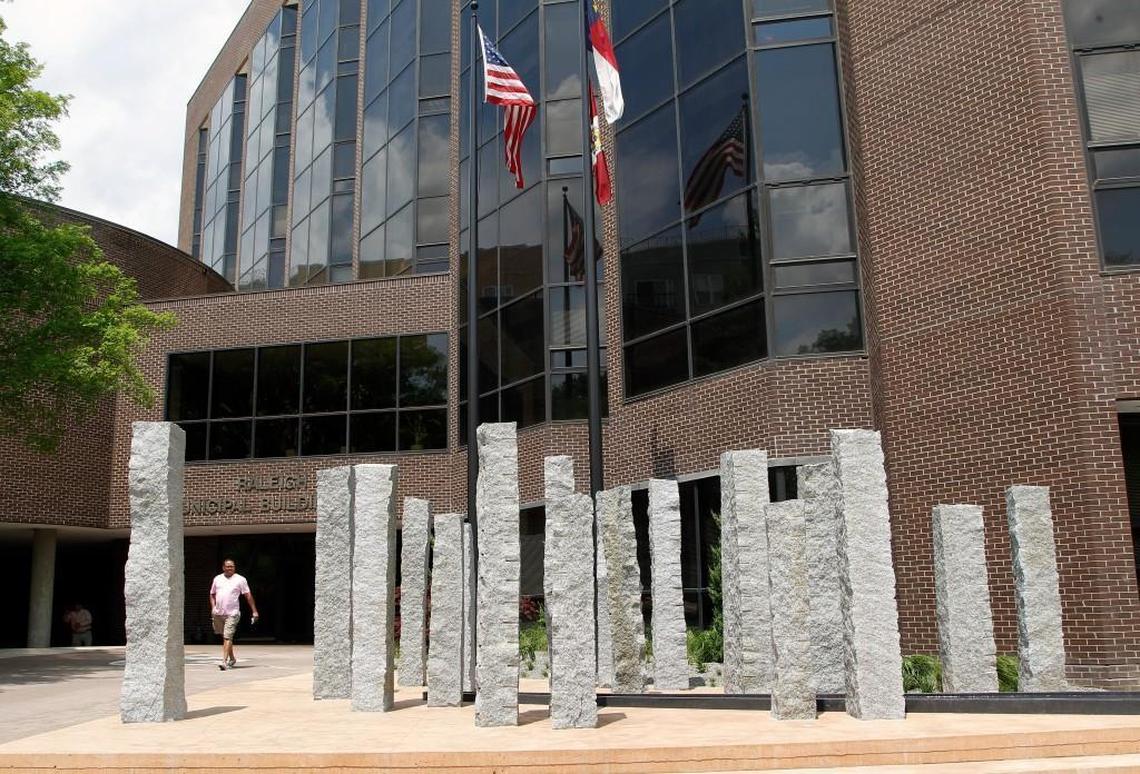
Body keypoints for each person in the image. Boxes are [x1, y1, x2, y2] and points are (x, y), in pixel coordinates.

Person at [209, 558, 259, 670]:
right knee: (225, 636)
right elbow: (212, 594)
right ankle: (232, 658)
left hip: (233, 613)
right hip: (218, 613)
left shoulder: (240, 580)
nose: (230, 568)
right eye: (227, 566)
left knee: (227, 637)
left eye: (232, 566)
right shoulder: (217, 579)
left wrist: (254, 611)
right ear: (223, 567)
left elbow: (248, 596)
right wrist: (213, 607)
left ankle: (224, 662)